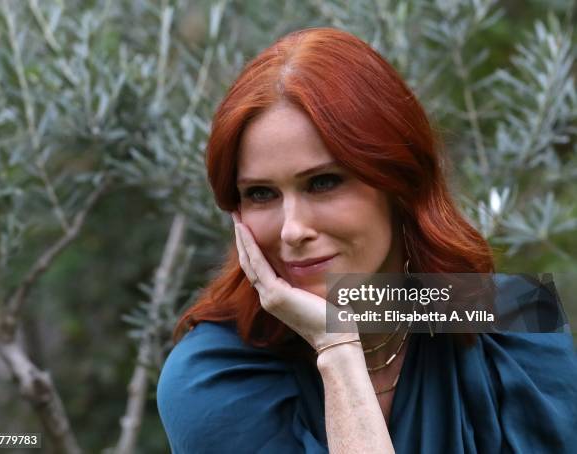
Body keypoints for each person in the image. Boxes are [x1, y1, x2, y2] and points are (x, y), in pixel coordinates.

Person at [156, 27, 577, 453]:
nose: (292, 229)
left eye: (323, 182)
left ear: (399, 181)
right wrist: (336, 349)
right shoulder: (214, 376)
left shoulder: (512, 318)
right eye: (261, 194)